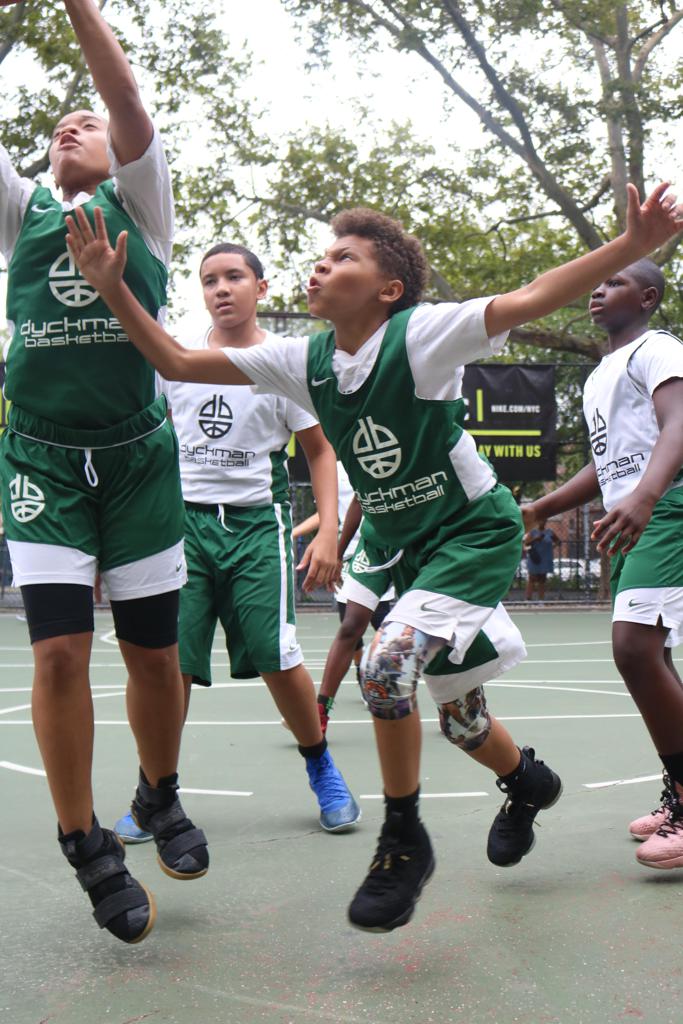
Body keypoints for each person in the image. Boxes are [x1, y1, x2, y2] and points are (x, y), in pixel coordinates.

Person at [65, 180, 682, 930]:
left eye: (343, 257)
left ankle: (402, 840)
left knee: (386, 667)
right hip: (397, 546)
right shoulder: (302, 360)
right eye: (320, 256)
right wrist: (110, 288)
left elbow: (530, 296)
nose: (321, 266)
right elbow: (175, 358)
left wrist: (631, 245)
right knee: (460, 720)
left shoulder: (423, 336)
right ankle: (527, 782)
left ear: (388, 289)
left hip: (467, 536)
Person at [0, 0, 208, 945]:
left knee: (154, 656)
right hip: (41, 460)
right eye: (56, 128)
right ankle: (83, 839)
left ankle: (159, 792)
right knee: (57, 653)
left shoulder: (143, 210)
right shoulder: (24, 216)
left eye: (82, 122)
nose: (69, 128)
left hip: (136, 461)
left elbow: (122, 94)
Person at [114, 242, 360, 842]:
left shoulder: (284, 363)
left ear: (261, 287)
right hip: (180, 526)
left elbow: (320, 450)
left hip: (255, 526)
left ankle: (319, 763)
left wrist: (329, 529)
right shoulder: (175, 357)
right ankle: (154, 792)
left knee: (277, 655)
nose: (221, 288)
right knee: (170, 664)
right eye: (209, 280)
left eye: (233, 277)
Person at [521, 257, 683, 870]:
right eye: (597, 283)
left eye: (615, 282)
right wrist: (541, 507)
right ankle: (679, 792)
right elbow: (605, 462)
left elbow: (679, 422)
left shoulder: (658, 349)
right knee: (652, 654)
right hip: (638, 514)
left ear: (648, 297)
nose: (598, 289)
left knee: (634, 648)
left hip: (667, 506)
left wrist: (644, 496)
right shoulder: (599, 377)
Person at [291, 469, 394, 734]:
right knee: (350, 627)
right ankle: (320, 712)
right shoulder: (339, 466)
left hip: (403, 544)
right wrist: (335, 553)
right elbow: (348, 505)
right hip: (362, 553)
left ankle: (453, 696)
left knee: (394, 628)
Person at [523, 520, 557, 601]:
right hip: (535, 558)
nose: (542, 522)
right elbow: (526, 543)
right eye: (540, 521)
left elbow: (558, 541)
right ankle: (528, 599)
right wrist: (535, 539)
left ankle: (541, 600)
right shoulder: (533, 532)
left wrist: (551, 547)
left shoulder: (549, 532)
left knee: (542, 579)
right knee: (532, 578)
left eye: (544, 521)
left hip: (545, 558)